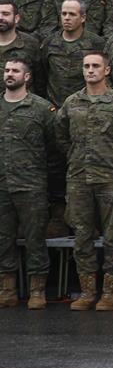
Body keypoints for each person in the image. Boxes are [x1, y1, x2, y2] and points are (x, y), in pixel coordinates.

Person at [55, 51, 113, 311]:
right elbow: (60, 135)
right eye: (86, 66)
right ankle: (87, 292)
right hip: (79, 178)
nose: (90, 70)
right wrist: (77, 156)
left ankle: (109, 293)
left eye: (96, 66)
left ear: (107, 70)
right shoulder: (72, 102)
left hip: (111, 179)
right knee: (82, 236)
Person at [0, 58, 57, 310]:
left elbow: (55, 149)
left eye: (15, 71)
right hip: (2, 185)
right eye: (7, 70)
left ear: (28, 77)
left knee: (35, 239)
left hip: (32, 185)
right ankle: (7, 288)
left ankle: (37, 290)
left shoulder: (42, 109)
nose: (9, 74)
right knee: (3, 239)